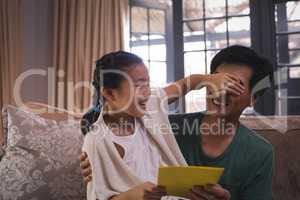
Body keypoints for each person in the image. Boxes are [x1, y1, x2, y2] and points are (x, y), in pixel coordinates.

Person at [80, 50, 244, 200]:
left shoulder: (150, 105)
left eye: (148, 84)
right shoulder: (98, 140)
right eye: (138, 85)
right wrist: (131, 196)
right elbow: (98, 195)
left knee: (219, 195)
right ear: (109, 93)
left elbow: (185, 85)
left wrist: (209, 79)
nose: (147, 92)